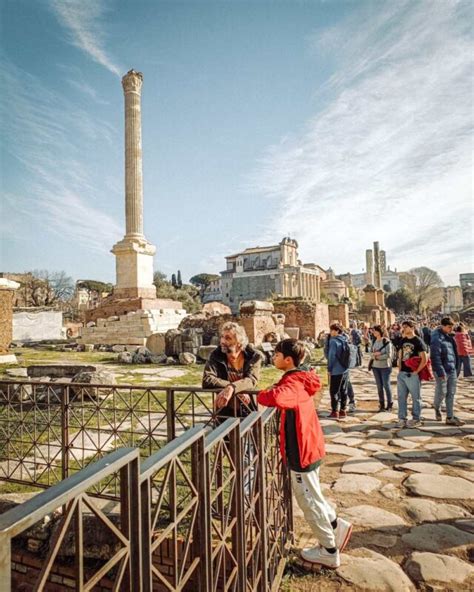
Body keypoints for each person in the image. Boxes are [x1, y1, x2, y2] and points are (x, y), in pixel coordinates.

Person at [257, 339, 352, 568]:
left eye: (276, 354)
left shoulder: (293, 383)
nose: (273, 357)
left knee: (308, 500)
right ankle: (337, 526)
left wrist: (261, 395)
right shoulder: (300, 377)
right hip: (309, 444)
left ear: (288, 360)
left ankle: (328, 551)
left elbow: (279, 397)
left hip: (301, 450)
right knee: (315, 493)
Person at [202, 322, 263, 421]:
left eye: (228, 338)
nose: (222, 341)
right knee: (224, 434)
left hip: (247, 405)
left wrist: (233, 387)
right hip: (224, 407)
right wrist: (233, 388)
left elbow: (252, 379)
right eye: (222, 337)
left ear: (239, 342)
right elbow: (207, 379)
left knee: (249, 434)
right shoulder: (216, 354)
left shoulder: (254, 356)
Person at [430, 318, 465, 426]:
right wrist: (441, 372)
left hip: (452, 369)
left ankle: (450, 417)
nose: (451, 329)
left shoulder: (449, 337)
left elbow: (454, 353)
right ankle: (437, 407)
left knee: (451, 393)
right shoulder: (436, 337)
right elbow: (435, 356)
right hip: (442, 370)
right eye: (449, 327)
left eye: (452, 327)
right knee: (441, 393)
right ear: (443, 326)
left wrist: (456, 367)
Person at [397, 320, 427, 428]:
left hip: (412, 374)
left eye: (406, 326)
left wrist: (416, 372)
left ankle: (416, 418)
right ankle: (402, 418)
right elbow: (400, 355)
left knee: (416, 397)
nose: (403, 328)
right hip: (403, 373)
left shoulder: (418, 341)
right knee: (401, 397)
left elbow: (424, 358)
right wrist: (399, 369)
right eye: (403, 326)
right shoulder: (403, 340)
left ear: (412, 327)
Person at [327, 323, 349, 420]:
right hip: (344, 368)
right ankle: (343, 410)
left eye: (332, 330)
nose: (330, 332)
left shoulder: (333, 342)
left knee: (334, 391)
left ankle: (334, 411)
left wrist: (329, 368)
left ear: (337, 331)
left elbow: (331, 356)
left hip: (336, 369)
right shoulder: (344, 340)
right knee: (343, 390)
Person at [370, 325, 394, 412]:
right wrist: (374, 355)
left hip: (385, 367)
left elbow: (389, 355)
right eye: (373, 331)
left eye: (375, 330)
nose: (374, 332)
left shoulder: (386, 341)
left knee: (386, 385)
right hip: (375, 367)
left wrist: (378, 356)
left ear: (380, 331)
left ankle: (390, 403)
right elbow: (371, 353)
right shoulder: (374, 341)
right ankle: (382, 404)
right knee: (379, 386)